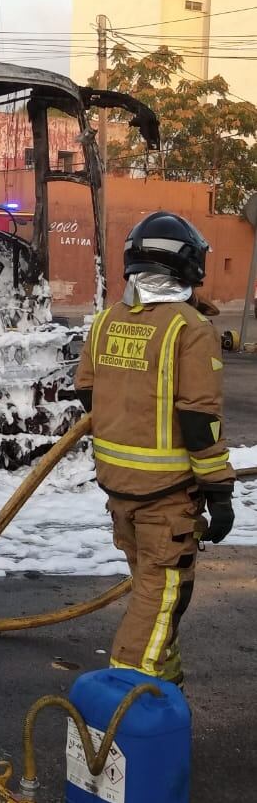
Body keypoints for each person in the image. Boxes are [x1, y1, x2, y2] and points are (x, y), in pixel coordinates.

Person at [74, 211, 235, 684]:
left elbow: (89, 392)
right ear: (186, 264)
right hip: (167, 494)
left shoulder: (106, 322)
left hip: (119, 491)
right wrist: (220, 491)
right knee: (163, 595)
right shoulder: (190, 328)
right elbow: (199, 419)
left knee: (150, 586)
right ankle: (131, 692)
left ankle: (167, 684)